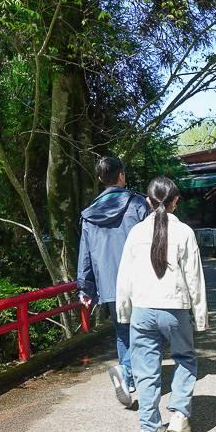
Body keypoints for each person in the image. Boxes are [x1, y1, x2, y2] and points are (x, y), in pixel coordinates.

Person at [116, 176, 208, 432]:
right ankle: (179, 414)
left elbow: (125, 277)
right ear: (175, 201)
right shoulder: (185, 232)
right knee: (185, 358)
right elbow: (194, 278)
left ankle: (149, 429)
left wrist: (124, 312)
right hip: (175, 308)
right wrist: (200, 316)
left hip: (142, 309)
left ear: (148, 201)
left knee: (145, 370)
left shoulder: (136, 233)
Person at [77, 156, 151, 407]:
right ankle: (132, 374)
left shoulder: (89, 213)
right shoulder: (138, 203)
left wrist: (85, 288)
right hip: (140, 281)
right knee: (145, 330)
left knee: (123, 332)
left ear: (100, 179)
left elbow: (85, 254)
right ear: (121, 175)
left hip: (110, 284)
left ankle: (127, 379)